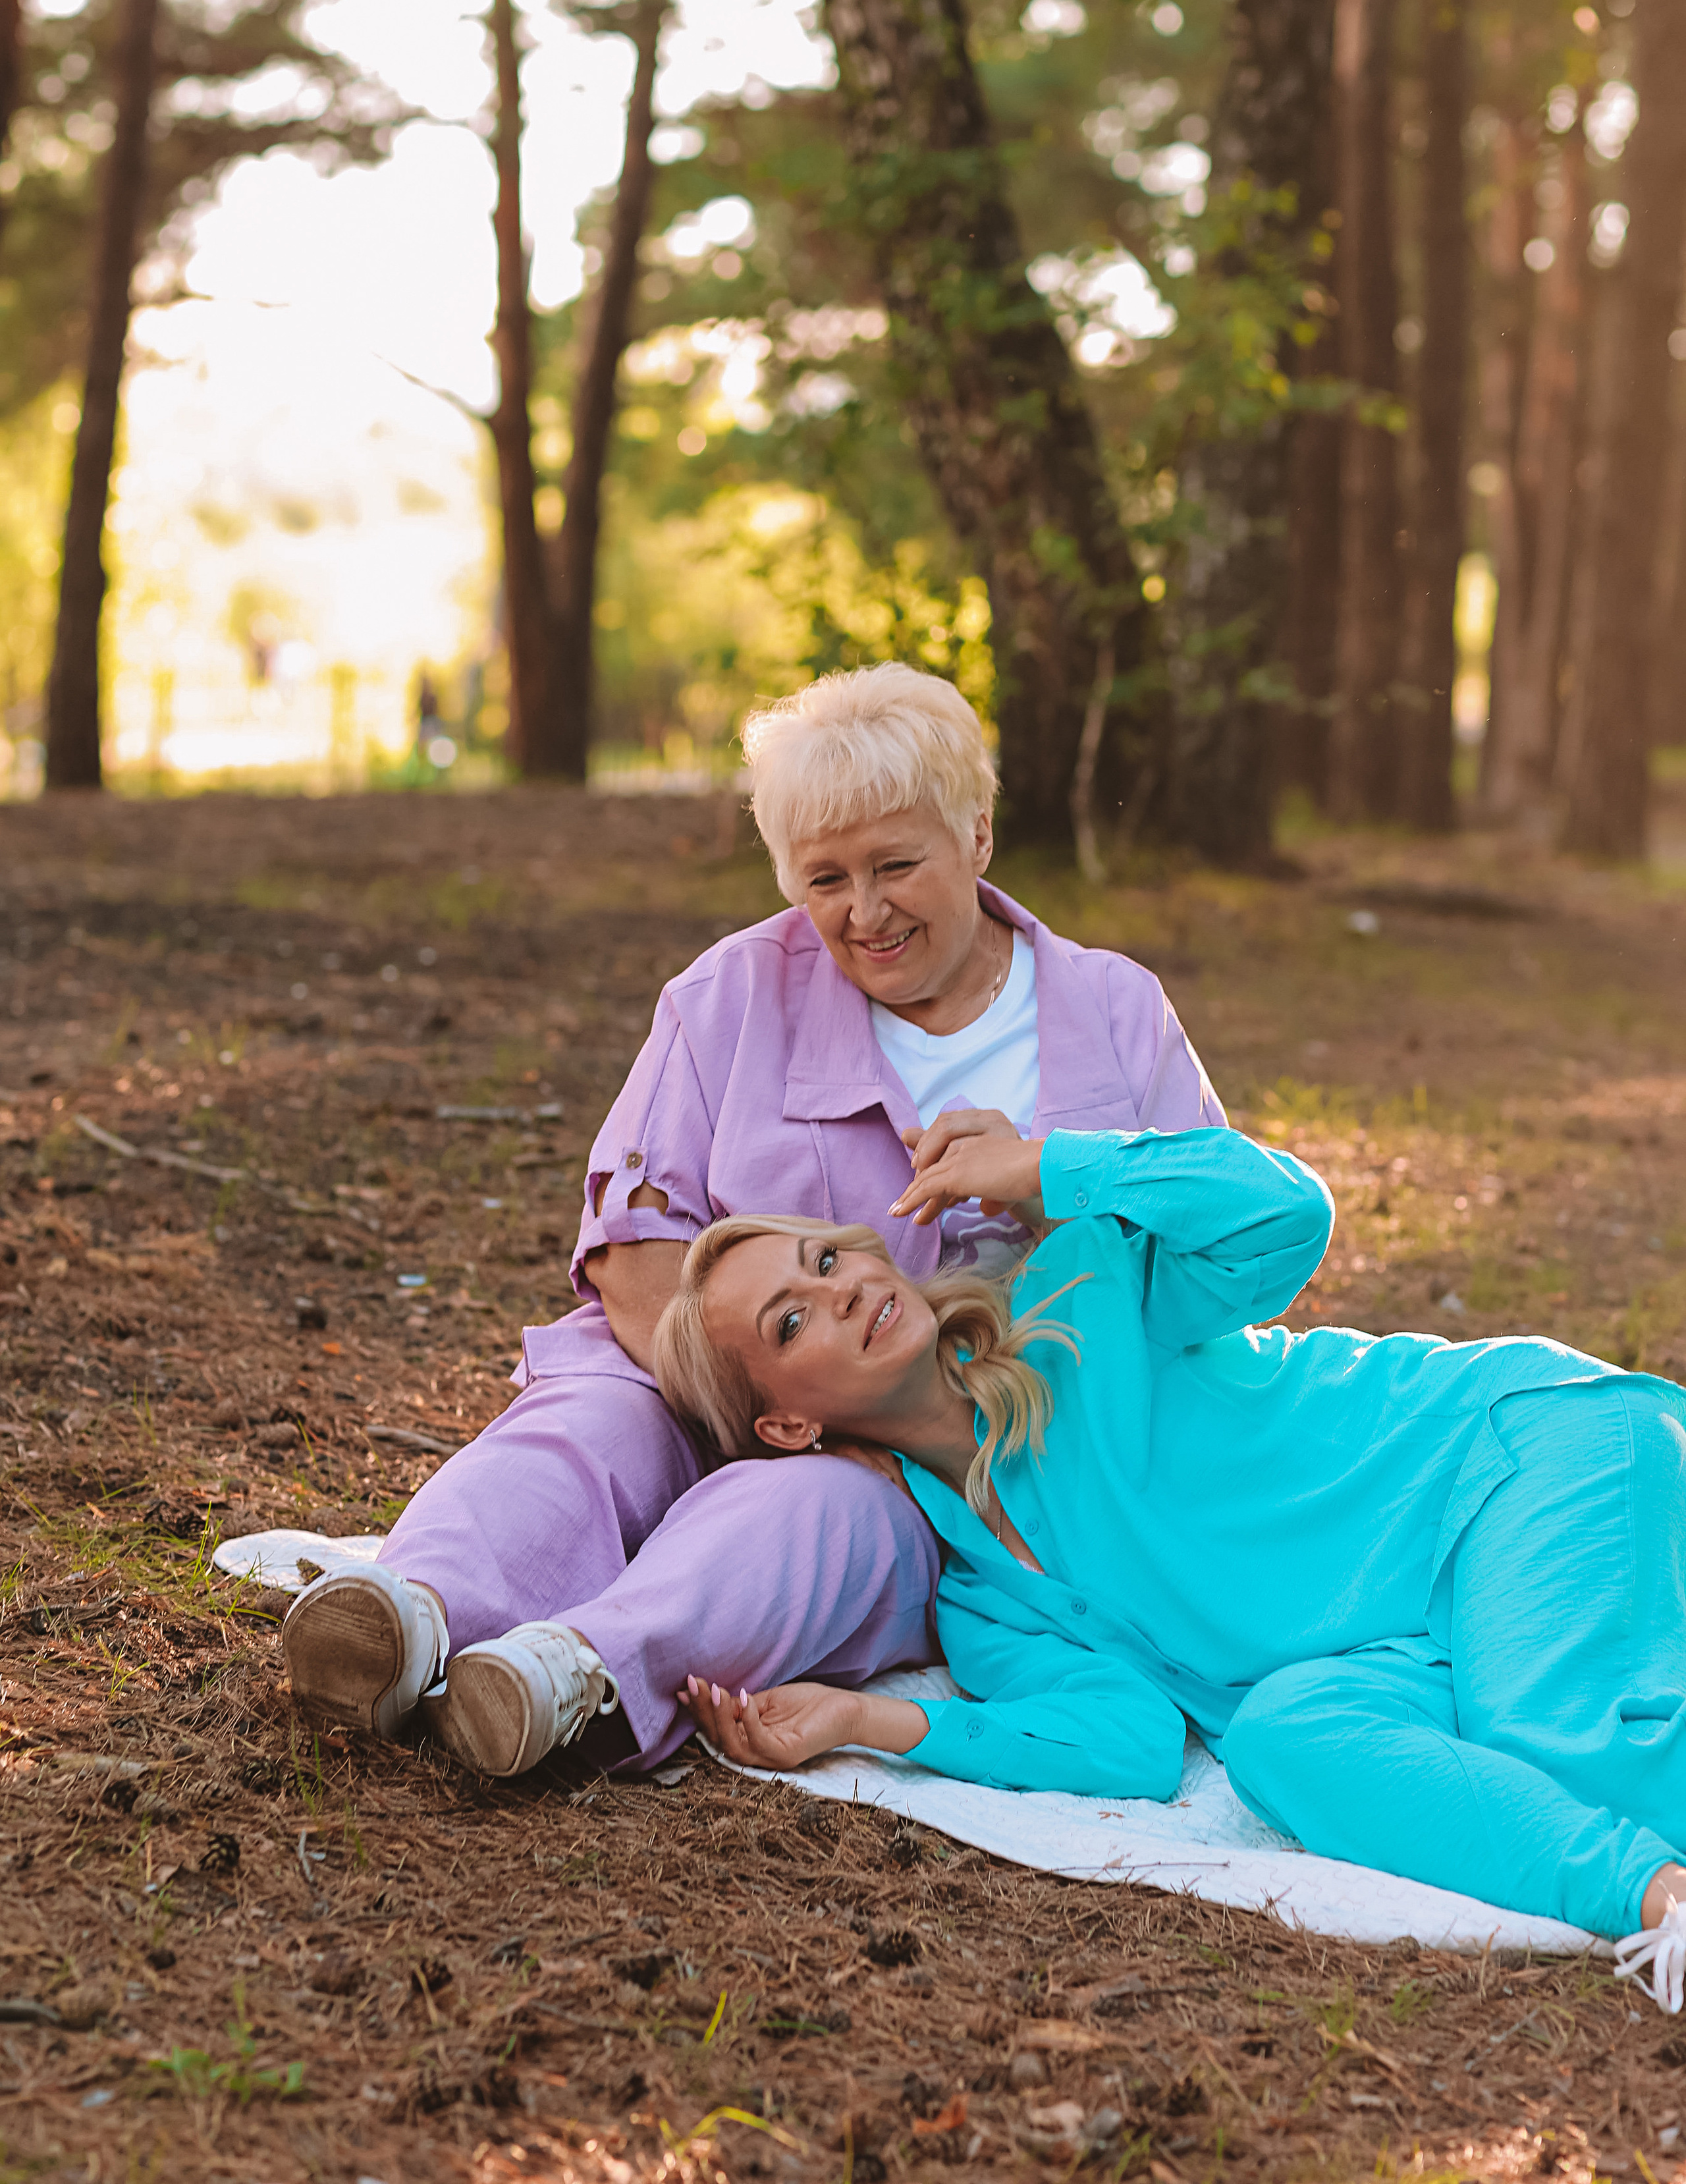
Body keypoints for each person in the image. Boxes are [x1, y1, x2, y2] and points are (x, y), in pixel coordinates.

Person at [281, 665, 1223, 1780]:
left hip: (939, 1450)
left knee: (815, 1519)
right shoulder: (729, 996)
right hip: (686, 1363)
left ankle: (565, 1675)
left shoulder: (1113, 1012)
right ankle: (406, 1618)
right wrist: (753, 1408)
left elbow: (1201, 1254)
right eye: (825, 878)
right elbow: (634, 1257)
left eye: (896, 865)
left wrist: (866, 1426)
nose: (864, 913)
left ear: (976, 835)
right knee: (590, 1429)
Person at [654, 1116, 1686, 2006]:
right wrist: (865, 1720)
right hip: (1413, 1637)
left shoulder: (1075, 1298)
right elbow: (1134, 1743)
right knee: (1282, 1744)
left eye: (828, 1260)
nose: (838, 1292)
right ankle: (1653, 1892)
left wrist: (1049, 1169)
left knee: (1549, 1737)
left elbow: (1285, 1215)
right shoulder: (982, 1601)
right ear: (787, 1425)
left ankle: (1660, 1896)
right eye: (791, 1320)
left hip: (1509, 1459)